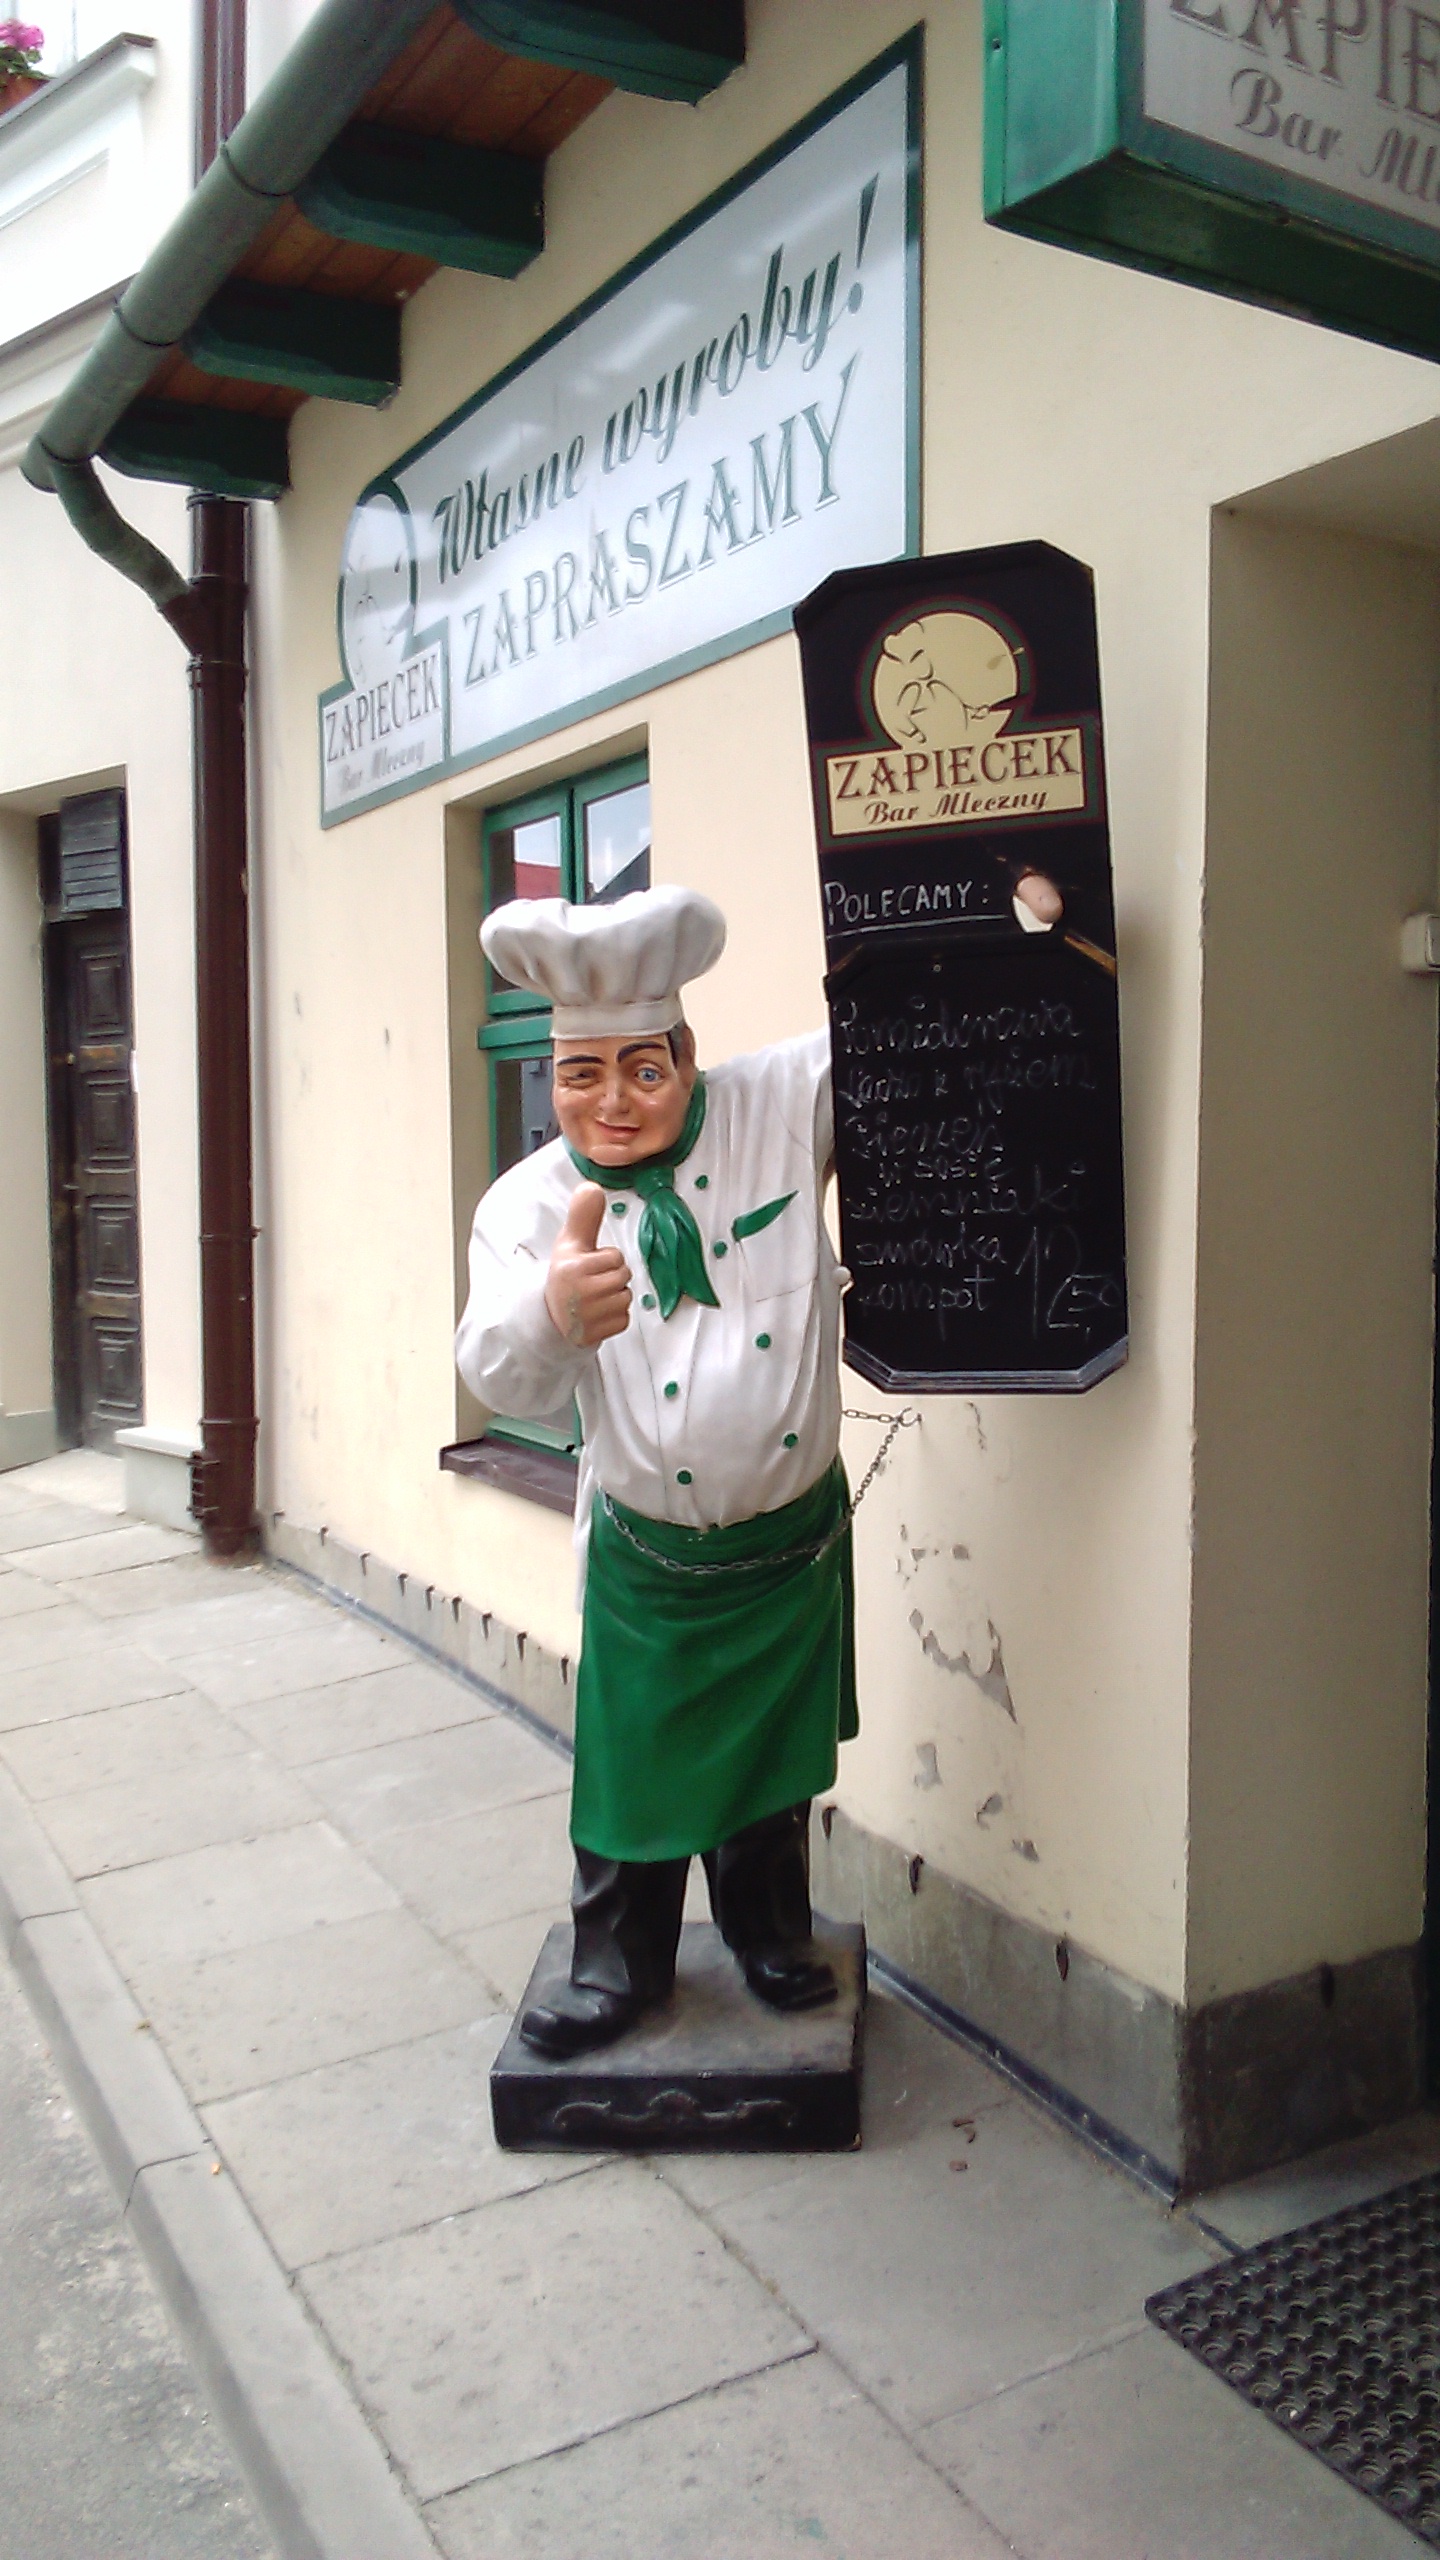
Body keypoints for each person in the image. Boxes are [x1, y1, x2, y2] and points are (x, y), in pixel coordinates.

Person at [456, 871, 1062, 2060]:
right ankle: (616, 1963)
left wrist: (1022, 914)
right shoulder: (528, 1206)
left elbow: (910, 1023)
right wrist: (548, 1315)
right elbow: (494, 1374)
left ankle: (772, 1929)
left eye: (644, 1069)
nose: (613, 1103)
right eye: (581, 1074)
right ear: (553, 1075)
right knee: (630, 1775)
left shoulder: (780, 1105)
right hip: (649, 1559)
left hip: (788, 1544)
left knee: (773, 1772)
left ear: (688, 1055)